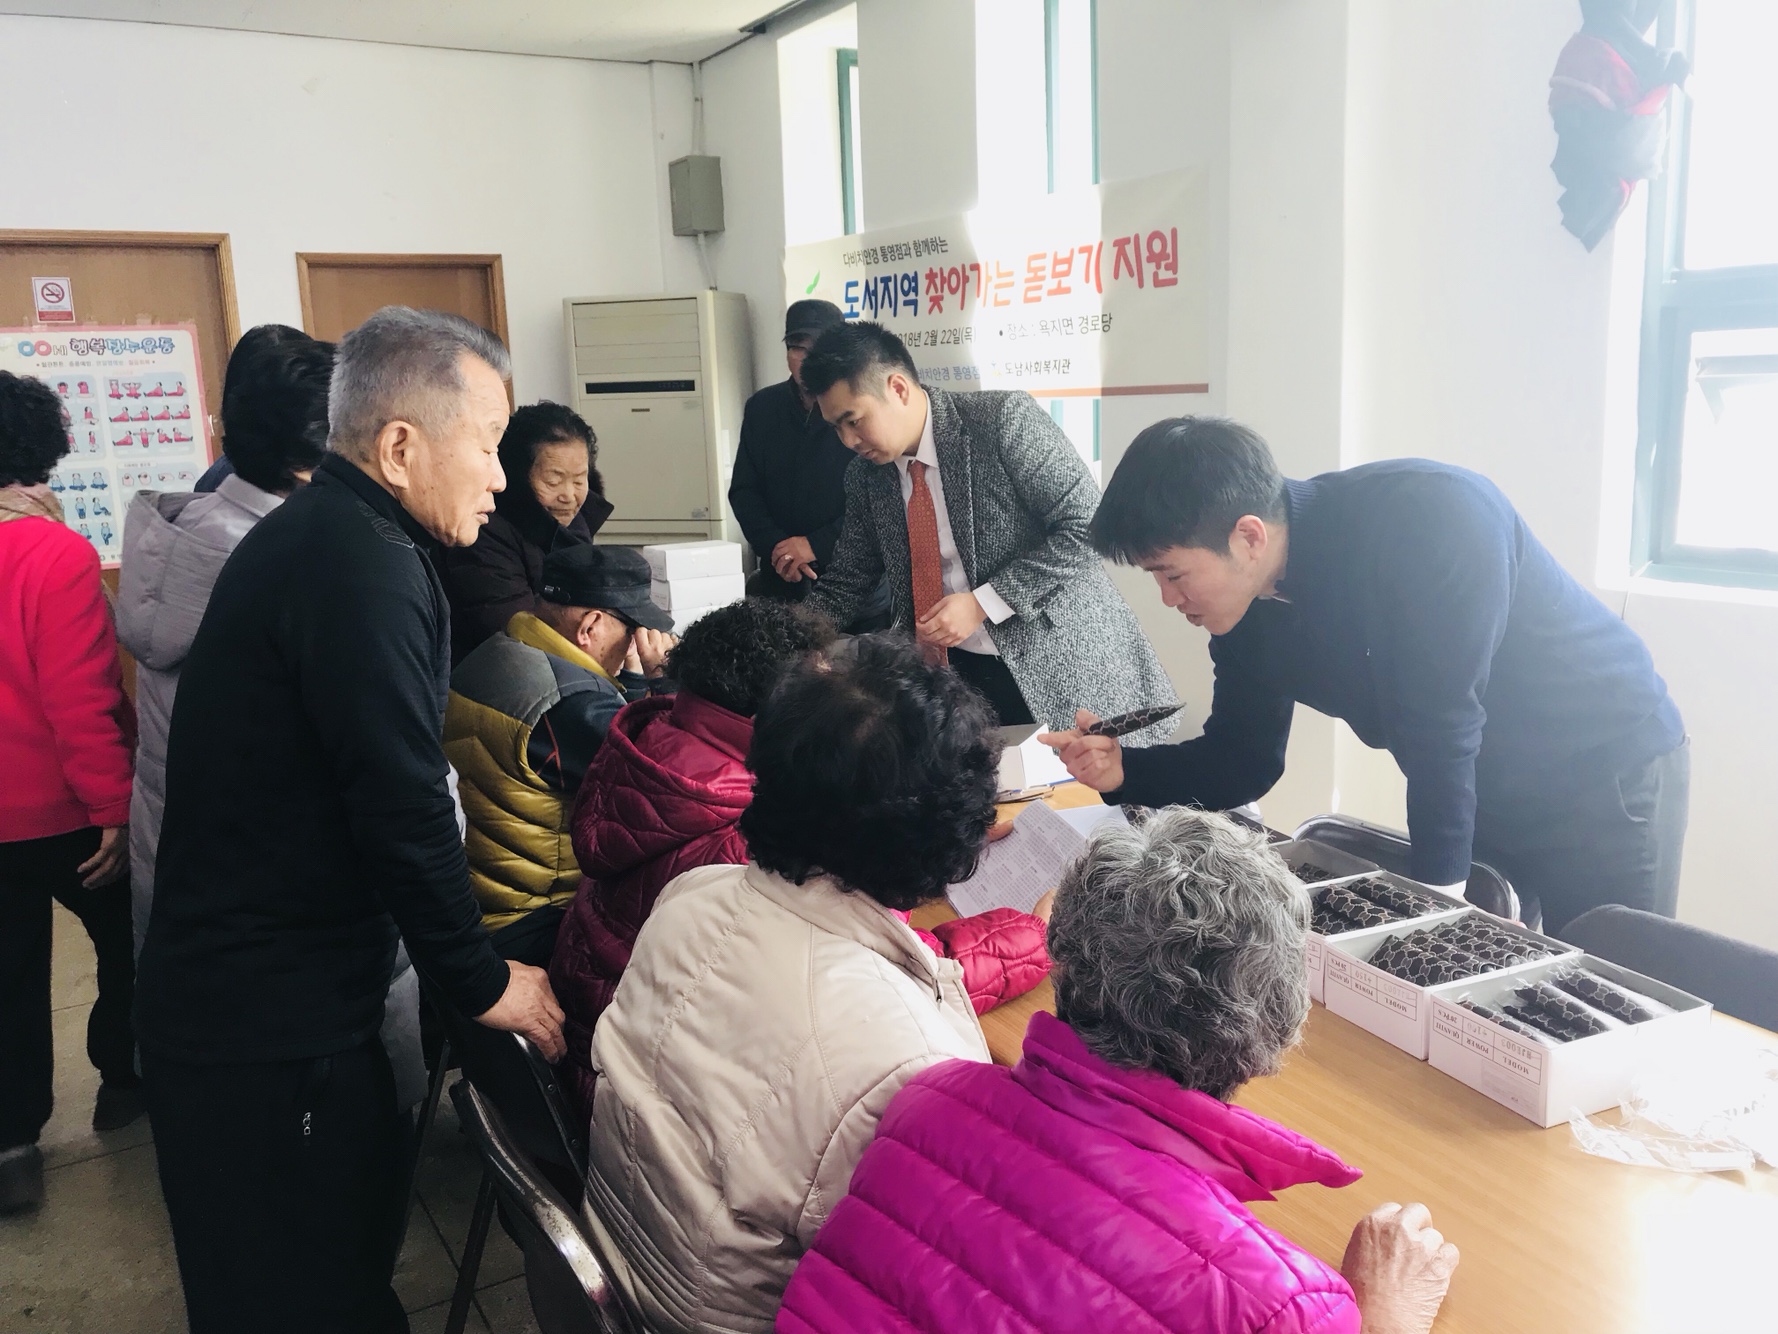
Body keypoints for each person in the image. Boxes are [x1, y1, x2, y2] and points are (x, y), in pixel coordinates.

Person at [135, 307, 567, 1334]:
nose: (500, 478)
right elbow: (402, 803)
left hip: (269, 998)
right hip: (264, 1025)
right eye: (487, 445)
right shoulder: (358, 564)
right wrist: (481, 978)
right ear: (401, 447)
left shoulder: (339, 532)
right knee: (306, 1292)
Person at [778, 807, 1461, 1334]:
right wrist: (1386, 1315)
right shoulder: (1279, 1306)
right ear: (1273, 1023)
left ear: (1064, 959)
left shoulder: (926, 1101)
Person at [1045, 418, 1688, 931]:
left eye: (1173, 574)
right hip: (1476, 782)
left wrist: (1433, 907)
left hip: (1604, 772)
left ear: (1248, 537)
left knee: (1617, 992)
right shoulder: (1246, 612)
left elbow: (1442, 726)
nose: (1167, 599)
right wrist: (1125, 771)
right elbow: (1243, 759)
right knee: (1504, 1003)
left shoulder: (1433, 518)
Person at [582, 634, 1021, 1334]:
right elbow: (925, 1288)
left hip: (620, 1267)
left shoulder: (696, 892)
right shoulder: (910, 1063)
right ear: (950, 835)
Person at [550, 600, 1050, 1123]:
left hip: (615, 1059)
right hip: (642, 1096)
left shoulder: (661, 747)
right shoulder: (736, 843)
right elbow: (891, 976)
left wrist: (930, 822)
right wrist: (1033, 933)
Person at [798, 321, 1176, 737]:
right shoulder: (866, 477)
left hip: (1056, 659)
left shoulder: (999, 421)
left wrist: (984, 603)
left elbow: (1087, 525)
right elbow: (848, 578)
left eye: (853, 421)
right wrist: (786, 642)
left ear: (898, 388)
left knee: (1083, 777)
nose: (848, 440)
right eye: (836, 428)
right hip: (956, 678)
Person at [118, 323, 333, 955]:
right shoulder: (285, 562)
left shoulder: (191, 526)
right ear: (311, 459)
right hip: (266, 877)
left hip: (175, 842)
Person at [0, 370, 137, 1214]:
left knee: (6, 974)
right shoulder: (55, 554)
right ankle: (124, 1081)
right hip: (63, 813)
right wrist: (113, 808)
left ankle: (12, 1147)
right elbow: (80, 698)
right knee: (128, 941)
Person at [444, 543, 676, 966]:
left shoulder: (498, 652)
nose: (634, 645)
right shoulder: (573, 701)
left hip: (478, 899)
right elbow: (666, 783)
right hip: (537, 918)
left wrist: (631, 681)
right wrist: (666, 683)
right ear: (590, 626)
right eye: (632, 631)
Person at [727, 298, 889, 630]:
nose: (806, 359)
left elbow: (881, 499)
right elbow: (744, 491)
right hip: (780, 585)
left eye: (818, 349)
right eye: (797, 348)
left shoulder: (862, 408)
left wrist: (815, 545)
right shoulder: (762, 407)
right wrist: (779, 549)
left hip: (856, 590)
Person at [437, 399, 613, 664]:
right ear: (517, 477)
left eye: (579, 481)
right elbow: (519, 633)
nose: (569, 496)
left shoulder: (574, 522)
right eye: (553, 481)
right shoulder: (484, 534)